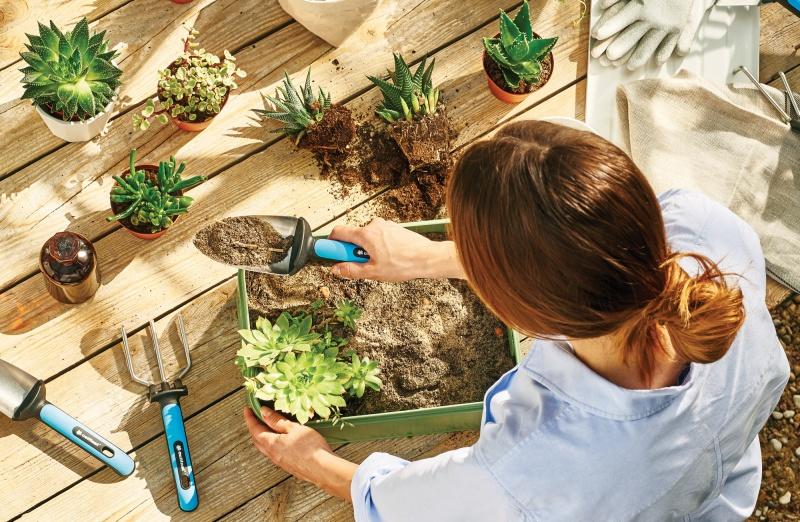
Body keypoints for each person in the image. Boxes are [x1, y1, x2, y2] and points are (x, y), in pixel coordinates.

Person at [243, 121, 789, 521]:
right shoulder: (708, 231)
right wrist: (430, 258)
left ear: (516, 314)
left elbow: (420, 507)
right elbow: (591, 259)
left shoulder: (535, 468)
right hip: (722, 477)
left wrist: (314, 462)